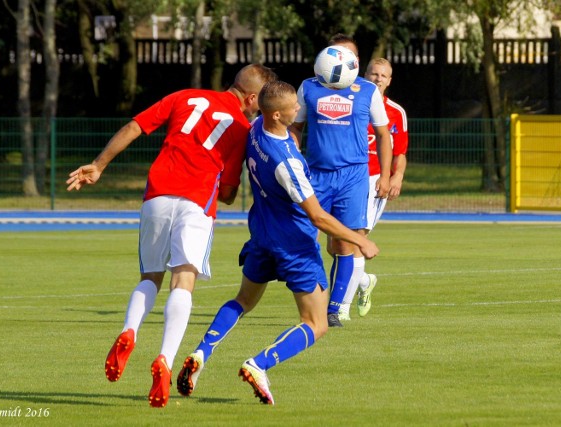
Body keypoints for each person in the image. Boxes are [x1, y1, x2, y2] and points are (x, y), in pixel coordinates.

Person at [65, 64, 277, 408]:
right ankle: (164, 359)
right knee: (183, 281)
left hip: (158, 195)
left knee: (150, 276)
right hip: (196, 204)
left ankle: (130, 329)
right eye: (261, 101)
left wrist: (99, 164)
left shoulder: (185, 96)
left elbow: (135, 125)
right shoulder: (242, 127)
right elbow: (227, 192)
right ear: (252, 98)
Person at [175, 80, 379, 405]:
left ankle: (201, 352)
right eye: (292, 108)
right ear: (276, 115)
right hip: (294, 246)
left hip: (261, 236)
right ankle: (259, 364)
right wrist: (359, 240)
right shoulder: (288, 163)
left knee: (242, 300)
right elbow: (318, 218)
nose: (299, 109)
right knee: (317, 323)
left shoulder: (255, 130)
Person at [289, 34, 392, 327]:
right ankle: (314, 300)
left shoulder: (368, 91)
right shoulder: (308, 87)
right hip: (317, 175)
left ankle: (334, 310)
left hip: (354, 177)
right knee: (308, 239)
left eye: (349, 56)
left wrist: (384, 175)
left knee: (346, 242)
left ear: (356, 62)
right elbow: (296, 127)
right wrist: (294, 157)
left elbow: (384, 135)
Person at [338, 57, 409, 321]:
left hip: (374, 180)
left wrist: (396, 176)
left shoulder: (396, 112)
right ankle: (364, 281)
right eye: (374, 73)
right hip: (345, 178)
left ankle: (341, 307)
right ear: (364, 75)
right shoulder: (348, 103)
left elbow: (400, 151)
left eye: (383, 75)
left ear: (389, 81)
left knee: (356, 237)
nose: (378, 78)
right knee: (336, 245)